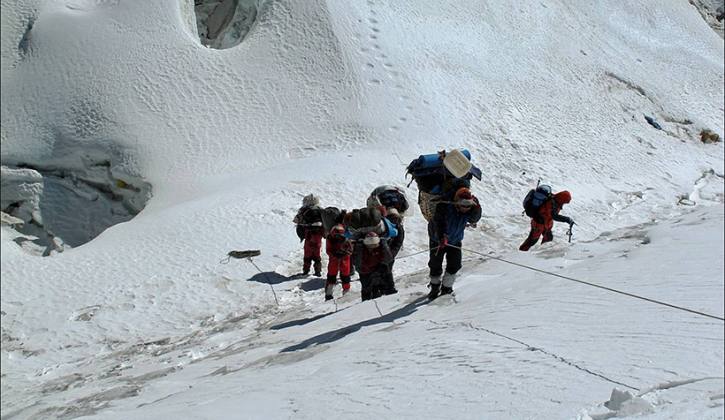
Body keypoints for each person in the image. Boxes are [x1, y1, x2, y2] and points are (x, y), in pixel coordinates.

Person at [427, 187, 481, 300]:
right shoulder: (444, 206)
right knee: (435, 264)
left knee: (455, 264)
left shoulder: (470, 209)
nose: (466, 208)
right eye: (463, 205)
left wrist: (477, 207)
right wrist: (442, 236)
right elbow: (439, 222)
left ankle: (446, 287)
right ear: (456, 202)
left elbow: (474, 219)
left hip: (455, 240)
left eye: (468, 206)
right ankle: (435, 287)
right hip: (438, 241)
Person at [292, 194, 324, 276]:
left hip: (308, 233)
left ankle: (306, 270)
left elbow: (296, 220)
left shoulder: (303, 210)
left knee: (307, 252)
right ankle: (318, 271)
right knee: (317, 252)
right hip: (318, 234)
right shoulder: (321, 210)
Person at [359, 231, 393, 301]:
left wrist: (384, 245)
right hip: (366, 274)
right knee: (367, 293)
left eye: (374, 245)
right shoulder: (360, 248)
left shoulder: (382, 247)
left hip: (380, 273)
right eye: (370, 245)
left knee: (386, 292)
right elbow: (358, 263)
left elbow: (388, 258)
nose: (372, 247)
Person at [377, 208, 404, 296]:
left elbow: (398, 243)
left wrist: (391, 253)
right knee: (384, 269)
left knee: (387, 269)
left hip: (389, 251)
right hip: (385, 251)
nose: (394, 220)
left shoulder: (397, 228)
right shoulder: (387, 226)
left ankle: (388, 289)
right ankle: (385, 288)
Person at [324, 224, 353, 300]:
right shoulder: (330, 238)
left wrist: (344, 253)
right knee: (331, 276)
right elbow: (328, 250)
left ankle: (346, 292)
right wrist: (334, 254)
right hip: (334, 259)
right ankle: (328, 293)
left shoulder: (347, 239)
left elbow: (350, 250)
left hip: (344, 259)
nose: (338, 237)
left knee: (345, 276)